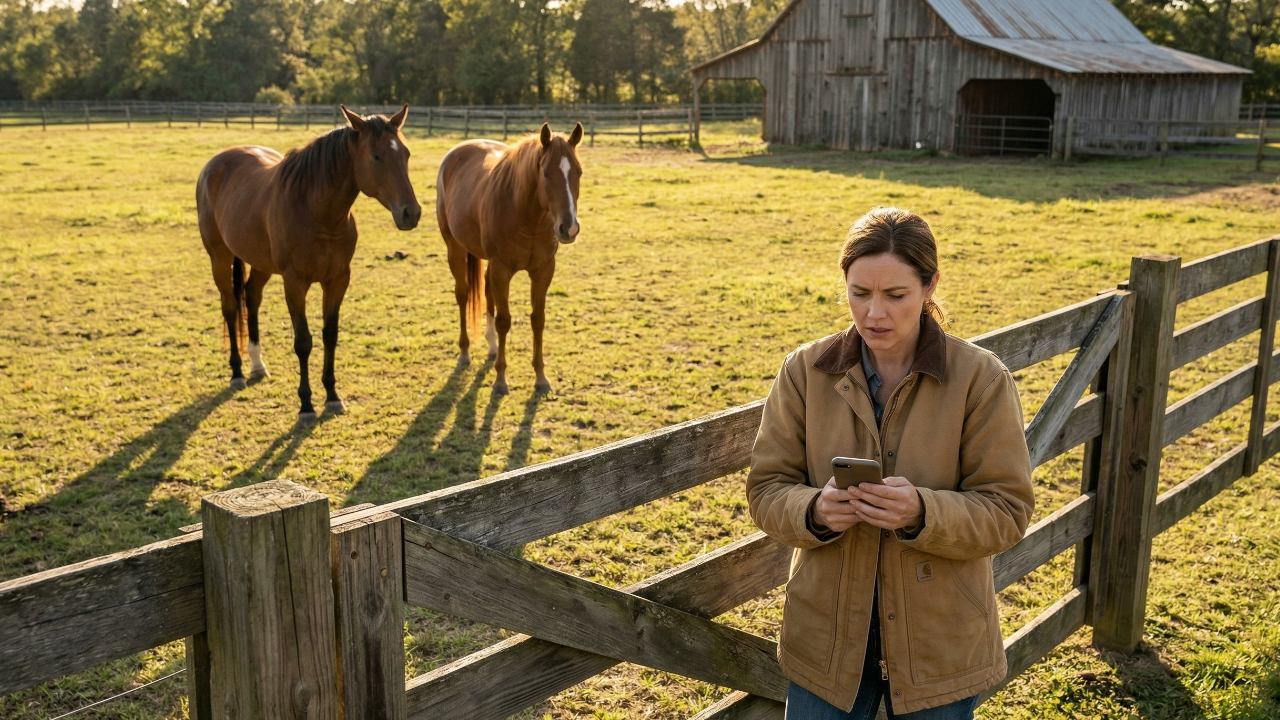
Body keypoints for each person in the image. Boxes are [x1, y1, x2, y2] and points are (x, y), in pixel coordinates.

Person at [747, 207, 1035, 719]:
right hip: (826, 641)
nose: (874, 314)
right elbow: (767, 489)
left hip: (940, 647)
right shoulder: (803, 372)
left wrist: (921, 512)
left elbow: (1008, 510)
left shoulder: (980, 379)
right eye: (860, 293)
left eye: (895, 295)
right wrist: (814, 511)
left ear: (930, 287)